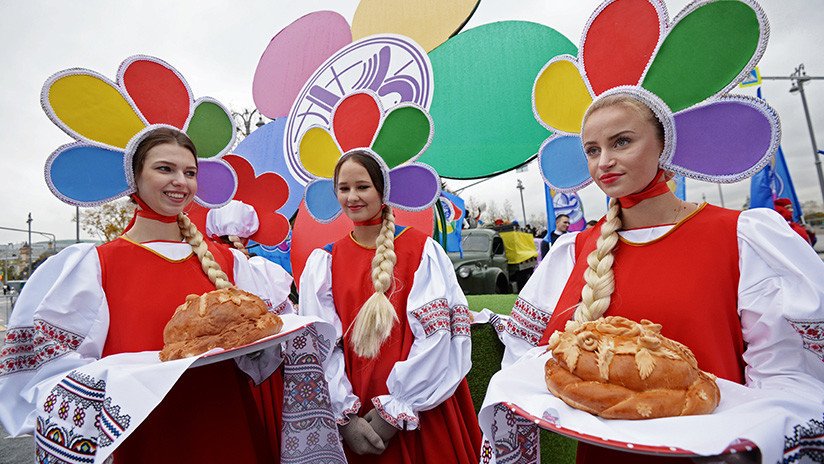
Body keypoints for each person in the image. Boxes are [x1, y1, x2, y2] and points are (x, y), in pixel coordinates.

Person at [497, 92, 824, 463]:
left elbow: (786, 371)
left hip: (716, 450)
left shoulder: (741, 237)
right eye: (592, 150)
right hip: (603, 455)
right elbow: (529, 358)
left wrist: (752, 439)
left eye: (622, 141)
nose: (604, 162)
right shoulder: (572, 251)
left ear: (664, 145)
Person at [0, 128, 295, 463]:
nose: (181, 182)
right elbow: (50, 372)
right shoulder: (96, 266)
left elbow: (265, 346)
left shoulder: (227, 261)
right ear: (134, 178)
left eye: (190, 172)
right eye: (165, 169)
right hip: (150, 434)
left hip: (229, 421)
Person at [299, 150, 481, 463]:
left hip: (421, 409)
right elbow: (322, 347)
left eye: (363, 186)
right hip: (358, 408)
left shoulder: (422, 250)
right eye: (344, 189)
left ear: (382, 190)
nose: (353, 197)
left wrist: (397, 408)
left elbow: (439, 338)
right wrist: (344, 416)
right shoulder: (325, 263)